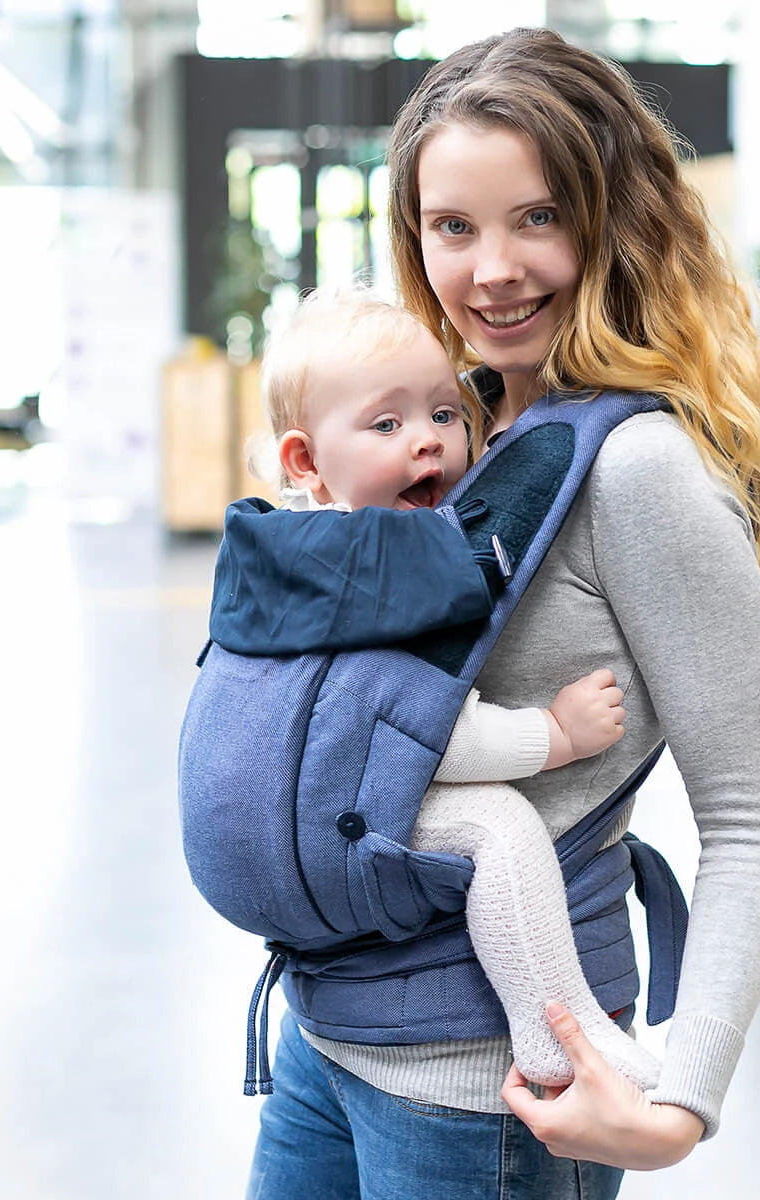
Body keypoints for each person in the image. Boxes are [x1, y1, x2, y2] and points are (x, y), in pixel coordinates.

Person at [246, 27, 760, 1200]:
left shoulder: (638, 467)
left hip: (489, 1087)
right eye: (453, 226)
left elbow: (751, 816)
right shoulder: (453, 431)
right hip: (329, 1031)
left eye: (539, 217)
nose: (492, 268)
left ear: (613, 221)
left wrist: (681, 1104)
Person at [234, 286, 662, 1091]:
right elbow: (418, 736)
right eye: (386, 425)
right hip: (334, 803)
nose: (429, 443)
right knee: (499, 825)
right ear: (303, 462)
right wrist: (555, 734)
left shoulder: (285, 547)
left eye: (443, 413)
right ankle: (557, 1032)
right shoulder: (373, 564)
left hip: (287, 813)